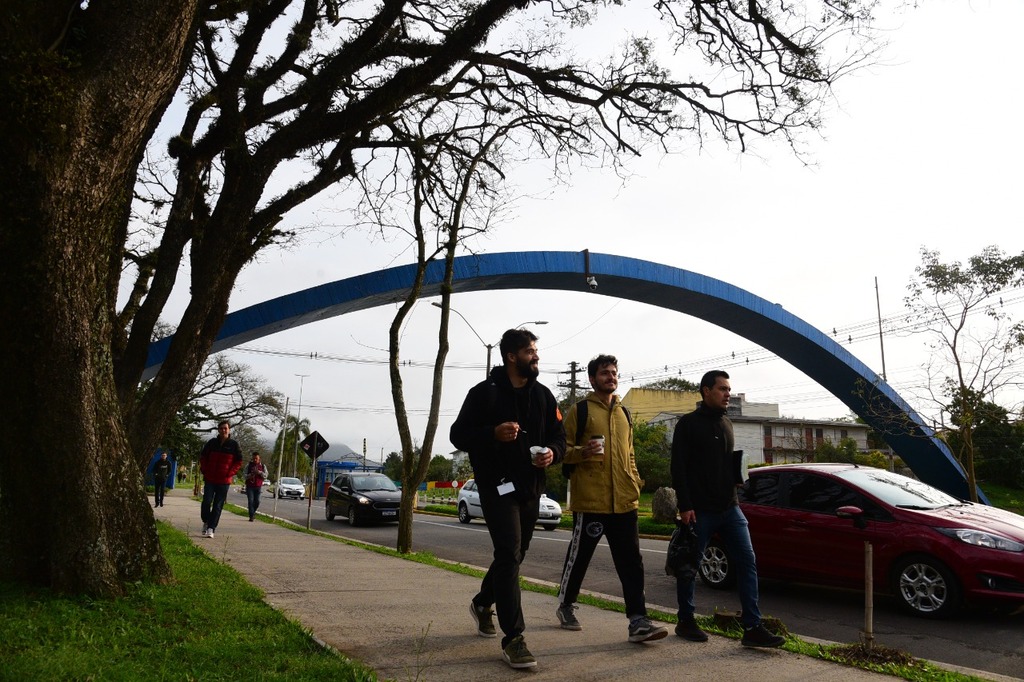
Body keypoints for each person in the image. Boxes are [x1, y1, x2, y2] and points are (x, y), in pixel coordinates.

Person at [450, 328, 566, 670]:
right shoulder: (483, 394)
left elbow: (559, 435)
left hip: (531, 488)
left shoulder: (544, 396)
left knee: (514, 556)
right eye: (531, 351)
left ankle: (483, 602)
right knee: (508, 553)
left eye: (536, 351)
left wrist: (552, 454)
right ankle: (514, 638)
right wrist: (492, 434)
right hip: (496, 488)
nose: (537, 356)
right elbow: (458, 434)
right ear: (512, 356)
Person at [556, 355, 667, 643]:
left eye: (614, 373)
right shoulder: (578, 411)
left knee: (632, 562)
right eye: (605, 373)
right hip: (591, 501)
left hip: (625, 502)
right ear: (592, 379)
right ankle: (566, 605)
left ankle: (638, 620)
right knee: (579, 558)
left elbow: (629, 455)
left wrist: (636, 481)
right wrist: (583, 452)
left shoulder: (625, 414)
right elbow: (560, 451)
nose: (611, 377)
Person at [671, 370, 785, 648]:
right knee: (689, 566)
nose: (727, 393)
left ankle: (752, 627)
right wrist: (685, 505)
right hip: (700, 510)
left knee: (747, 562)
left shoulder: (726, 423)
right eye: (722, 389)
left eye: (729, 389)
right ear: (706, 391)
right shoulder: (687, 424)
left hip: (731, 508)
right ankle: (686, 620)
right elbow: (678, 467)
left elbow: (724, 462)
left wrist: (737, 475)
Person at [199, 420, 243, 539]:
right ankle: (206, 521)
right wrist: (204, 469)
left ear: (229, 430)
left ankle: (211, 528)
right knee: (206, 502)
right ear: (218, 430)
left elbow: (239, 461)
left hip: (224, 481)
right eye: (221, 428)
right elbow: (203, 457)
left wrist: (230, 473)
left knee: (218, 505)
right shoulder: (212, 443)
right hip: (210, 478)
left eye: (226, 428)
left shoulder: (234, 445)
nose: (223, 430)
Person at [244, 452, 269, 521]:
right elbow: (244, 475)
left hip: (258, 486)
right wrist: (250, 475)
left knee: (257, 501)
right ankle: (251, 516)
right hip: (250, 486)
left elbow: (266, 475)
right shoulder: (248, 465)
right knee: (250, 501)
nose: (255, 460)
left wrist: (260, 472)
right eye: (254, 458)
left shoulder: (263, 466)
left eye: (256, 458)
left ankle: (252, 511)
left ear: (259, 459)